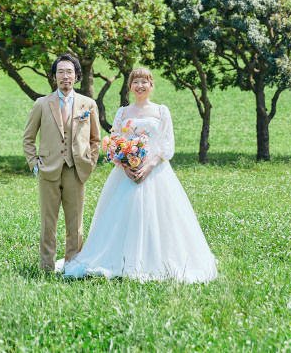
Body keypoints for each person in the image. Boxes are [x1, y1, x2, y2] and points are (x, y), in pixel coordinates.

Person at [62, 67, 218, 283]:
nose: (140, 86)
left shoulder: (161, 111)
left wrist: (149, 165)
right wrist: (125, 165)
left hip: (156, 173)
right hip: (126, 173)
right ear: (130, 87)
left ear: (151, 85)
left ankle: (158, 260)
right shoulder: (123, 113)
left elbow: (167, 145)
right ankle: (117, 258)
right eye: (136, 82)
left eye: (145, 82)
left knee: (160, 218)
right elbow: (115, 143)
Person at [23, 54, 101, 272]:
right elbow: (28, 139)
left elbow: (96, 139)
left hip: (76, 170)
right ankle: (46, 268)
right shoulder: (41, 104)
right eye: (60, 72)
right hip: (48, 169)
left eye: (69, 72)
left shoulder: (89, 104)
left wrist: (90, 162)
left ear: (76, 76)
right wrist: (34, 164)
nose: (65, 76)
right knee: (48, 224)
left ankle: (72, 268)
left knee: (75, 225)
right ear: (54, 76)